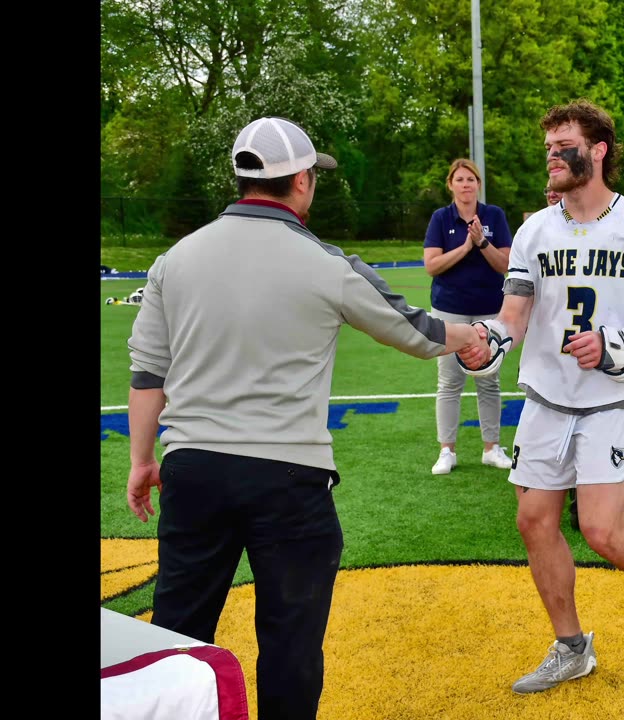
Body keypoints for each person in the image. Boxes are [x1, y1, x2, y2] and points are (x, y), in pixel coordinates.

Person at [125, 116, 486, 720]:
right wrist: (476, 335)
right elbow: (416, 331)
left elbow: (147, 375)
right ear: (299, 181)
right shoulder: (322, 260)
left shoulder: (175, 258)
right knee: (290, 647)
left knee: (177, 640)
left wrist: (142, 460)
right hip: (287, 477)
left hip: (194, 470)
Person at [456, 99, 624, 693]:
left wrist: (621, 341)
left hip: (612, 398)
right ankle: (571, 647)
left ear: (597, 152)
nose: (552, 158)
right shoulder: (536, 228)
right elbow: (514, 314)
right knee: (534, 520)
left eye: (562, 147)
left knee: (601, 531)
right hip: (546, 397)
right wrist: (491, 341)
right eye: (548, 149)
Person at [423, 158, 515, 475]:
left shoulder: (494, 216)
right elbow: (431, 265)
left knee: (489, 379)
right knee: (449, 381)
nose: (466, 184)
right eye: (460, 179)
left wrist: (482, 242)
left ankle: (492, 448)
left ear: (478, 184)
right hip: (450, 309)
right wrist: (464, 247)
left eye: (471, 179)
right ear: (451, 184)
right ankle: (447, 450)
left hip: (489, 310)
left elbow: (505, 264)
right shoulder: (440, 218)